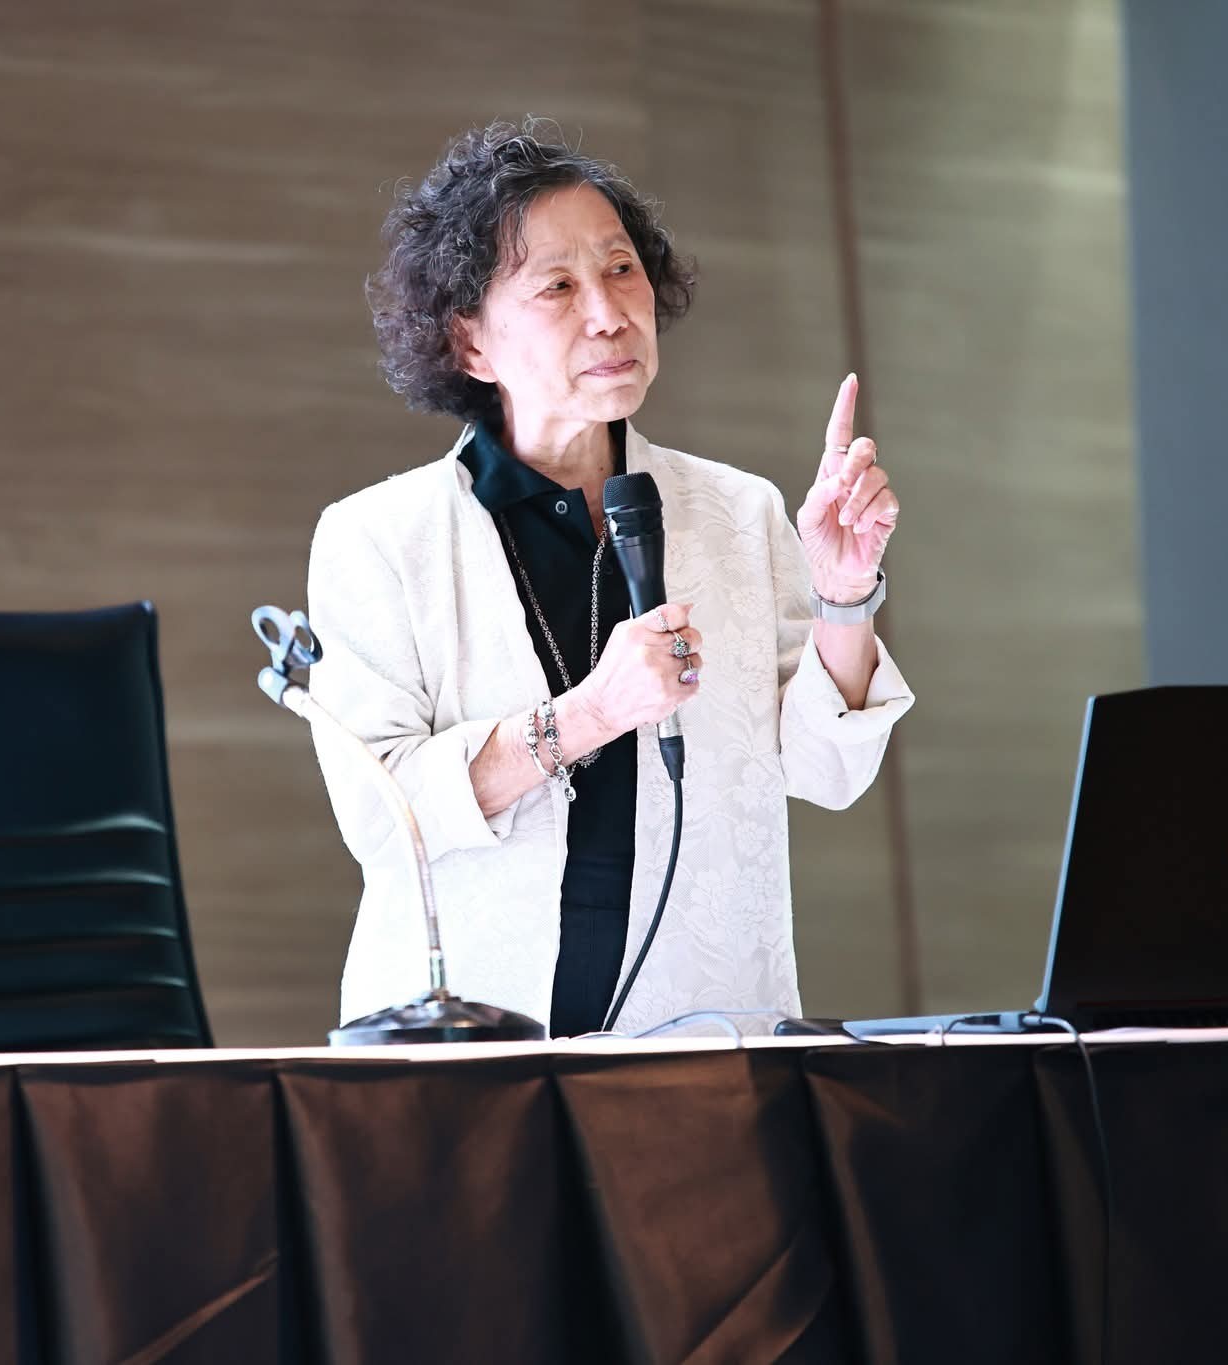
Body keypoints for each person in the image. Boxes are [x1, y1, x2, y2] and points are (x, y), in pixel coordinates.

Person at [306, 119, 914, 1036]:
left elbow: (829, 770)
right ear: (469, 342)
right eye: (557, 285)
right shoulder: (381, 538)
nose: (608, 311)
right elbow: (384, 816)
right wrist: (590, 714)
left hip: (705, 1032)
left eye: (621, 268)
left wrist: (843, 595)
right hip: (466, 1047)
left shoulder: (738, 511)